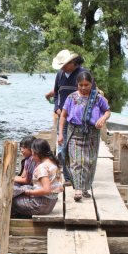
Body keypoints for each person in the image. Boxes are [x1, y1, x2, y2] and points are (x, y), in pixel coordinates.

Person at [57, 70, 111, 202]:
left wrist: (102, 119)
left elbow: (107, 111)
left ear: (91, 84)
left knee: (89, 161)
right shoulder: (71, 97)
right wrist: (60, 134)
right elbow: (63, 115)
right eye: (80, 85)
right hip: (74, 132)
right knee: (76, 161)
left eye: (86, 85)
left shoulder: (97, 98)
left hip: (92, 133)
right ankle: (78, 189)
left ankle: (85, 187)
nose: (83, 87)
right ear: (77, 84)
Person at [44, 49, 94, 182]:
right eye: (61, 66)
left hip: (80, 121)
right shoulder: (60, 75)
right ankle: (67, 177)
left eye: (65, 65)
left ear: (73, 63)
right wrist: (57, 108)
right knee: (62, 148)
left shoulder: (84, 74)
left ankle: (79, 178)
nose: (63, 68)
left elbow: (92, 95)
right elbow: (56, 93)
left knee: (78, 150)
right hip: (63, 117)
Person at [11, 138, 64, 218]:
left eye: (32, 153)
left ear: (37, 153)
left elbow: (46, 190)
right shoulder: (53, 163)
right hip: (50, 203)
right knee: (21, 190)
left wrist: (28, 193)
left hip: (41, 206)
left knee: (10, 200)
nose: (32, 156)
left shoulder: (42, 167)